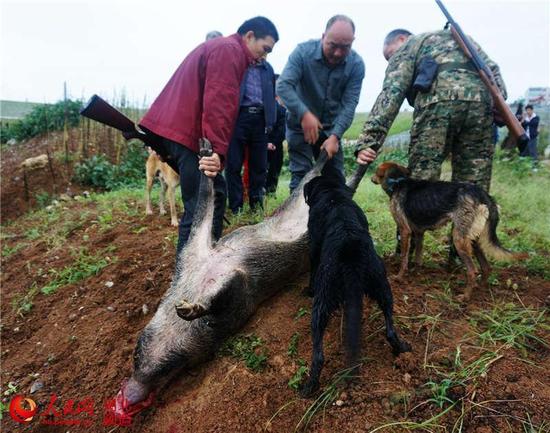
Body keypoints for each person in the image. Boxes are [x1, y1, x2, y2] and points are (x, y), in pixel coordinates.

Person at [139, 17, 279, 257]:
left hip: (177, 130)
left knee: (216, 193)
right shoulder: (229, 51)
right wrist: (215, 151)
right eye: (264, 48)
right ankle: (190, 273)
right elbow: (219, 104)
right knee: (204, 204)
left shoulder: (224, 49)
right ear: (249, 36)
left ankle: (205, 257)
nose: (264, 56)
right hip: (185, 133)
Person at [356, 28, 507, 193]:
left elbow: (391, 94)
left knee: (422, 184)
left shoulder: (410, 45)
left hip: (436, 106)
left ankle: (422, 218)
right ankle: (474, 217)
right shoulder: (465, 40)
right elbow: (494, 74)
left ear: (401, 39)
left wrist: (368, 141)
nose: (391, 61)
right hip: (481, 106)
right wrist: (498, 104)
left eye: (390, 55)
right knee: (473, 187)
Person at [277, 15, 365, 192]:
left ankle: (334, 218)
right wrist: (304, 114)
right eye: (333, 45)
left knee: (335, 178)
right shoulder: (302, 53)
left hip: (331, 129)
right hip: (299, 126)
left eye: (345, 47)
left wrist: (335, 136)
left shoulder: (356, 65)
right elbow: (283, 85)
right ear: (323, 36)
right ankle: (296, 219)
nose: (338, 53)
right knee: (301, 175)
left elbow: (350, 104)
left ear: (353, 42)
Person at [225, 58, 277, 213]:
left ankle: (256, 205)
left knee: (259, 165)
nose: (264, 53)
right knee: (233, 164)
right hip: (239, 118)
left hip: (261, 119)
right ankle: (236, 207)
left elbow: (272, 95)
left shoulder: (268, 69)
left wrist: (271, 121)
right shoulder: (238, 64)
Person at [266, 88, 287, 195]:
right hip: (275, 145)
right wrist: (273, 142)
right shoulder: (282, 110)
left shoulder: (262, 108)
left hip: (262, 144)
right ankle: (270, 193)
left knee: (262, 171)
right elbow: (282, 130)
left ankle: (262, 193)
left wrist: (267, 142)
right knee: (274, 171)